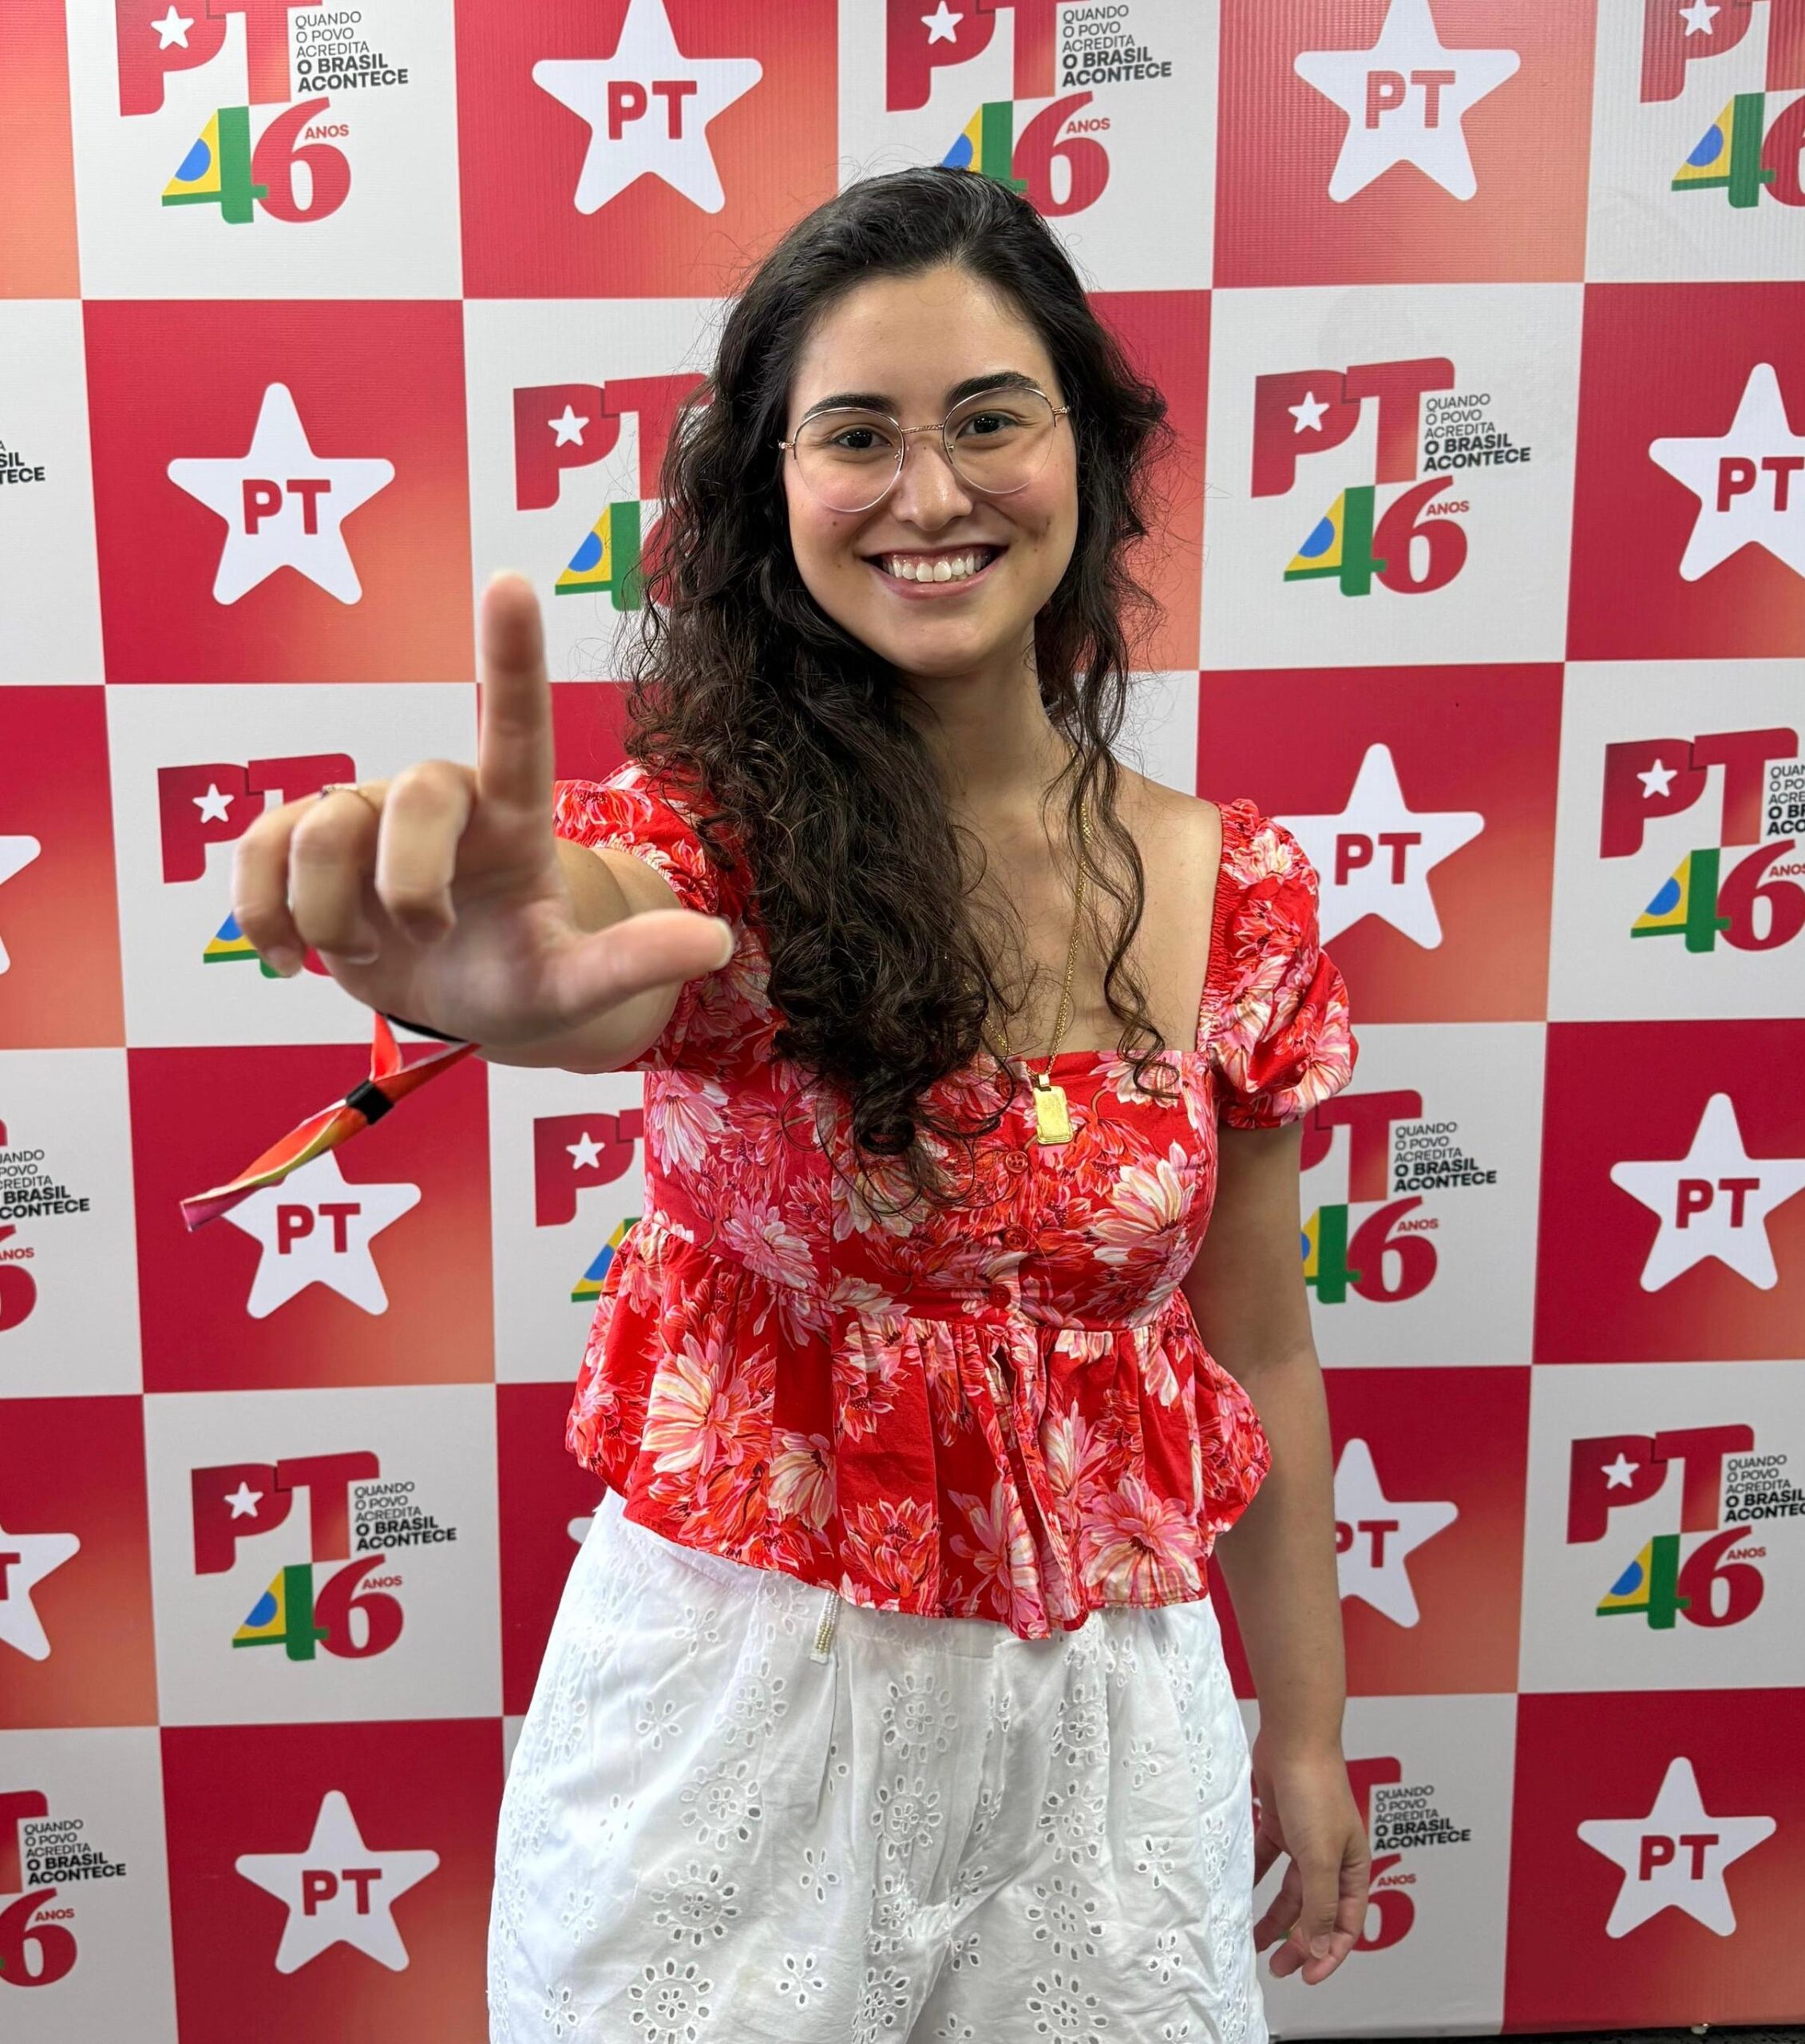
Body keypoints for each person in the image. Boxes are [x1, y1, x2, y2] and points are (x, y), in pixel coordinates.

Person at [232, 165, 1369, 2042]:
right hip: (741, 1724)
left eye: (989, 419)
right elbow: (596, 934)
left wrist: (1307, 1730)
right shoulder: (711, 845)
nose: (930, 492)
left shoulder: (1239, 887)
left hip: (1111, 1742)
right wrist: (488, 967)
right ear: (773, 486)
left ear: (1089, 450)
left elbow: (1261, 1343)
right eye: (856, 435)